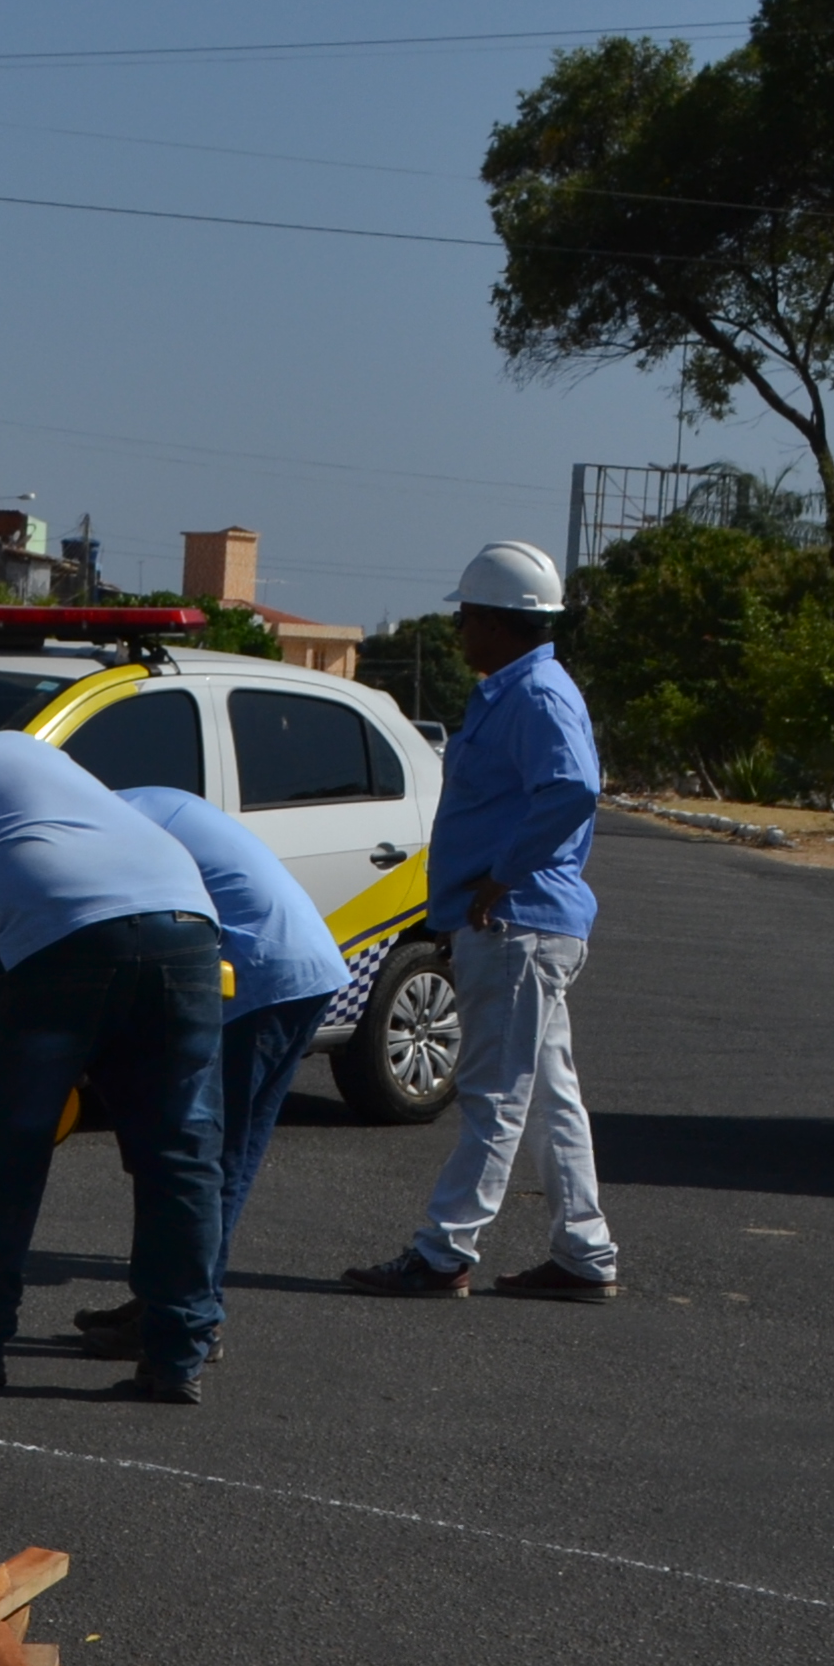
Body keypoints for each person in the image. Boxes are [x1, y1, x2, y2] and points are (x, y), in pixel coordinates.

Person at [0, 722, 228, 1402]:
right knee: (180, 1153)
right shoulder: (17, 748)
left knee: (5, 1159)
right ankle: (178, 1354)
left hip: (50, 939)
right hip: (184, 918)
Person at [346, 541, 619, 1302]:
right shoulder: (517, 688)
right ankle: (583, 1253)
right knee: (547, 1097)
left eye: (466, 617)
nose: (460, 631)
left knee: (494, 1093)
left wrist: (500, 876)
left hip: (516, 926)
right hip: (524, 924)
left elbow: (571, 789)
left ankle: (443, 1251)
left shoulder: (535, 695)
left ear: (502, 622)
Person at [67, 784, 344, 1363]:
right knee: (223, 1156)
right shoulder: (140, 804)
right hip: (303, 969)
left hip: (257, 980)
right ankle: (172, 1305)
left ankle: (187, 1321)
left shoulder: (108, 832)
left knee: (201, 1158)